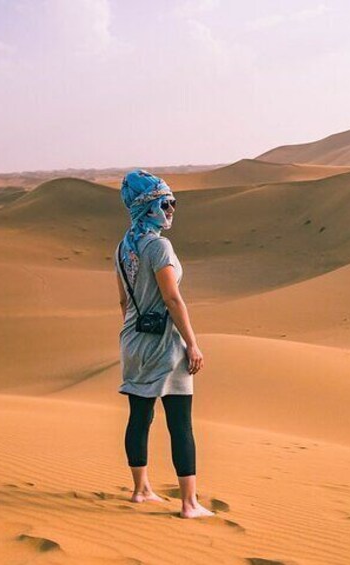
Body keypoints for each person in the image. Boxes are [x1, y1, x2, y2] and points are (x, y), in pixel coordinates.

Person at [114, 169, 213, 519]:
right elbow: (172, 298)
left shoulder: (123, 246)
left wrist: (132, 338)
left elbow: (124, 301)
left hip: (133, 341)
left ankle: (140, 490)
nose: (171, 209)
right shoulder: (158, 246)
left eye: (173, 202)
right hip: (164, 345)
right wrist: (193, 343)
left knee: (139, 417)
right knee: (180, 422)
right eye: (165, 202)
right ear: (148, 206)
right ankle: (189, 503)